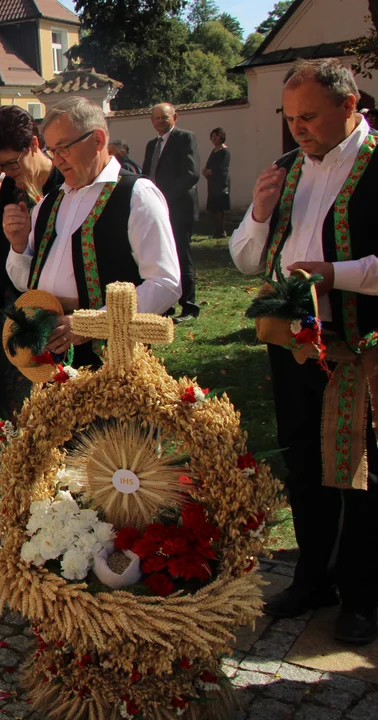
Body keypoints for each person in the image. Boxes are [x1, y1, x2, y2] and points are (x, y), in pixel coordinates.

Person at [229, 59, 378, 645]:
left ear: (350, 105)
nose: (298, 129)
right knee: (305, 464)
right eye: (290, 118)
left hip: (357, 348)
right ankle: (314, 577)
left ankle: (363, 595)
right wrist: (261, 212)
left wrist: (334, 273)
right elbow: (244, 257)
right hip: (291, 347)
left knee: (360, 475)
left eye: (309, 117)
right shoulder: (285, 168)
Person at [4, 97, 181, 368]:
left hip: (113, 359)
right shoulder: (47, 204)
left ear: (98, 140)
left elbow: (165, 284)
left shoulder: (136, 195)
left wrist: (91, 324)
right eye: (52, 150)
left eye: (63, 148)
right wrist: (18, 246)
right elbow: (25, 284)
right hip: (51, 354)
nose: (57, 160)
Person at [0, 105, 63, 416]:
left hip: (55, 322)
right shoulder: (5, 188)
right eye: (0, 165)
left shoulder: (65, 186)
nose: (10, 172)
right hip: (4, 313)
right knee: (9, 417)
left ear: (35, 144)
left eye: (12, 163)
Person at [143, 102, 201, 323]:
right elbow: (148, 173)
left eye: (164, 117)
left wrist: (164, 198)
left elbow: (191, 173)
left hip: (179, 208)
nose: (160, 121)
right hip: (157, 211)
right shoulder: (152, 145)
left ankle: (189, 306)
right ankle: (165, 305)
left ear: (174, 117)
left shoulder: (185, 138)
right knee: (161, 257)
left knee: (181, 255)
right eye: (156, 118)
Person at [203, 127, 231, 238]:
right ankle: (216, 230)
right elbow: (209, 164)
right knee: (212, 208)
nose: (214, 138)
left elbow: (222, 167)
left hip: (221, 183)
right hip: (212, 183)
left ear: (221, 137)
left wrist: (211, 171)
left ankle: (221, 231)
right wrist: (205, 170)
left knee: (219, 208)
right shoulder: (214, 151)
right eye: (212, 136)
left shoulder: (225, 152)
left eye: (216, 136)